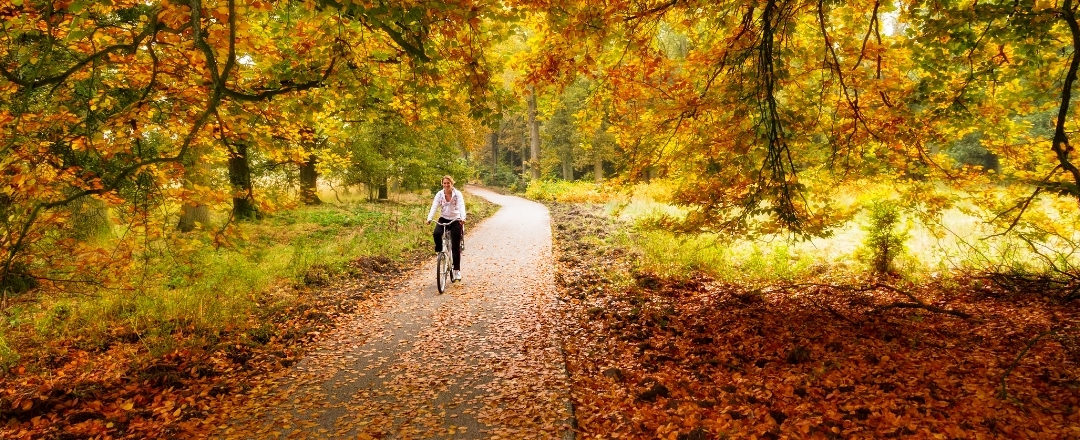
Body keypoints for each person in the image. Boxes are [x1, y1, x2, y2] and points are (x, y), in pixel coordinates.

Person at [426, 175, 466, 281]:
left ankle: (457, 271)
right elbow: (434, 205)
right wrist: (429, 218)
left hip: (455, 219)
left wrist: (463, 217)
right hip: (444, 218)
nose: (446, 185)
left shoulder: (457, 194)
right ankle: (441, 253)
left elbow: (461, 205)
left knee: (455, 247)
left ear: (452, 184)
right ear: (442, 184)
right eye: (444, 183)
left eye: (448, 183)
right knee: (436, 233)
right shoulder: (439, 194)